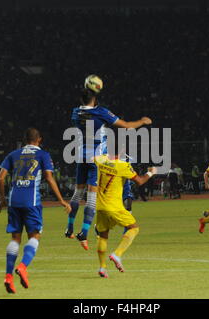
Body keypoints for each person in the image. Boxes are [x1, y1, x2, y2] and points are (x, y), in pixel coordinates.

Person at [66, 74, 152, 250]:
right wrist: (142, 121)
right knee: (92, 196)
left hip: (81, 155)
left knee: (77, 193)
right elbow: (126, 125)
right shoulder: (101, 112)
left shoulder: (75, 112)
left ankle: (69, 228)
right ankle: (84, 231)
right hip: (96, 158)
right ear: (95, 95)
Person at [0, 128, 71, 294]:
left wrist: (3, 200)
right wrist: (60, 200)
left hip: (14, 200)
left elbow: (0, 178)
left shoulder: (13, 154)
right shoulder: (43, 155)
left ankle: (8, 276)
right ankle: (23, 267)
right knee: (35, 236)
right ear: (39, 139)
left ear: (25, 139)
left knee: (15, 238)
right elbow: (49, 177)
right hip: (31, 201)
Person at [93, 153, 157, 278]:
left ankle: (102, 267)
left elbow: (93, 158)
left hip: (100, 206)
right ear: (121, 151)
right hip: (114, 206)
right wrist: (151, 173)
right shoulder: (123, 166)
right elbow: (139, 181)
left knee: (103, 235)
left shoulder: (100, 159)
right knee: (134, 228)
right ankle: (117, 254)